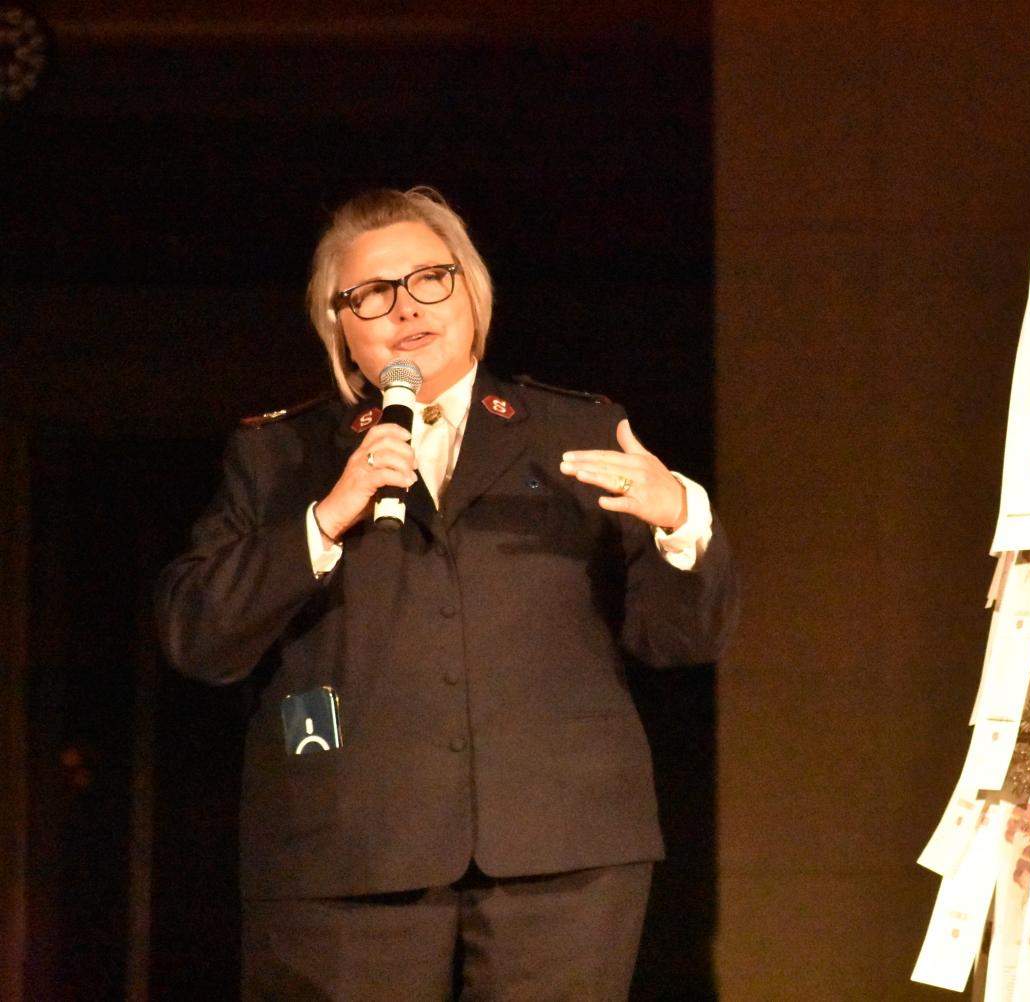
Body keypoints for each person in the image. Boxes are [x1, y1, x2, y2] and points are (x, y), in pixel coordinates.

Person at [155, 187, 738, 1001]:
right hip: (347, 856)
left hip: (562, 854)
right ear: (339, 326)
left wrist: (682, 521)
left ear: (470, 289)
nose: (408, 309)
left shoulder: (577, 430)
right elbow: (197, 637)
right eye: (372, 295)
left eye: (432, 278)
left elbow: (680, 641)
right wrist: (323, 521)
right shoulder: (281, 455)